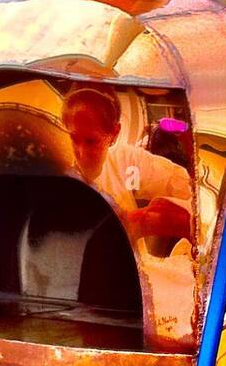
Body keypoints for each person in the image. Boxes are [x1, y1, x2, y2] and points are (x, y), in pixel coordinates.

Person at [62, 87, 191, 247]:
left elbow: (188, 190)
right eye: (74, 138)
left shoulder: (126, 165)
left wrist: (142, 221)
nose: (81, 153)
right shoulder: (57, 169)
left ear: (114, 134)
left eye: (91, 141)